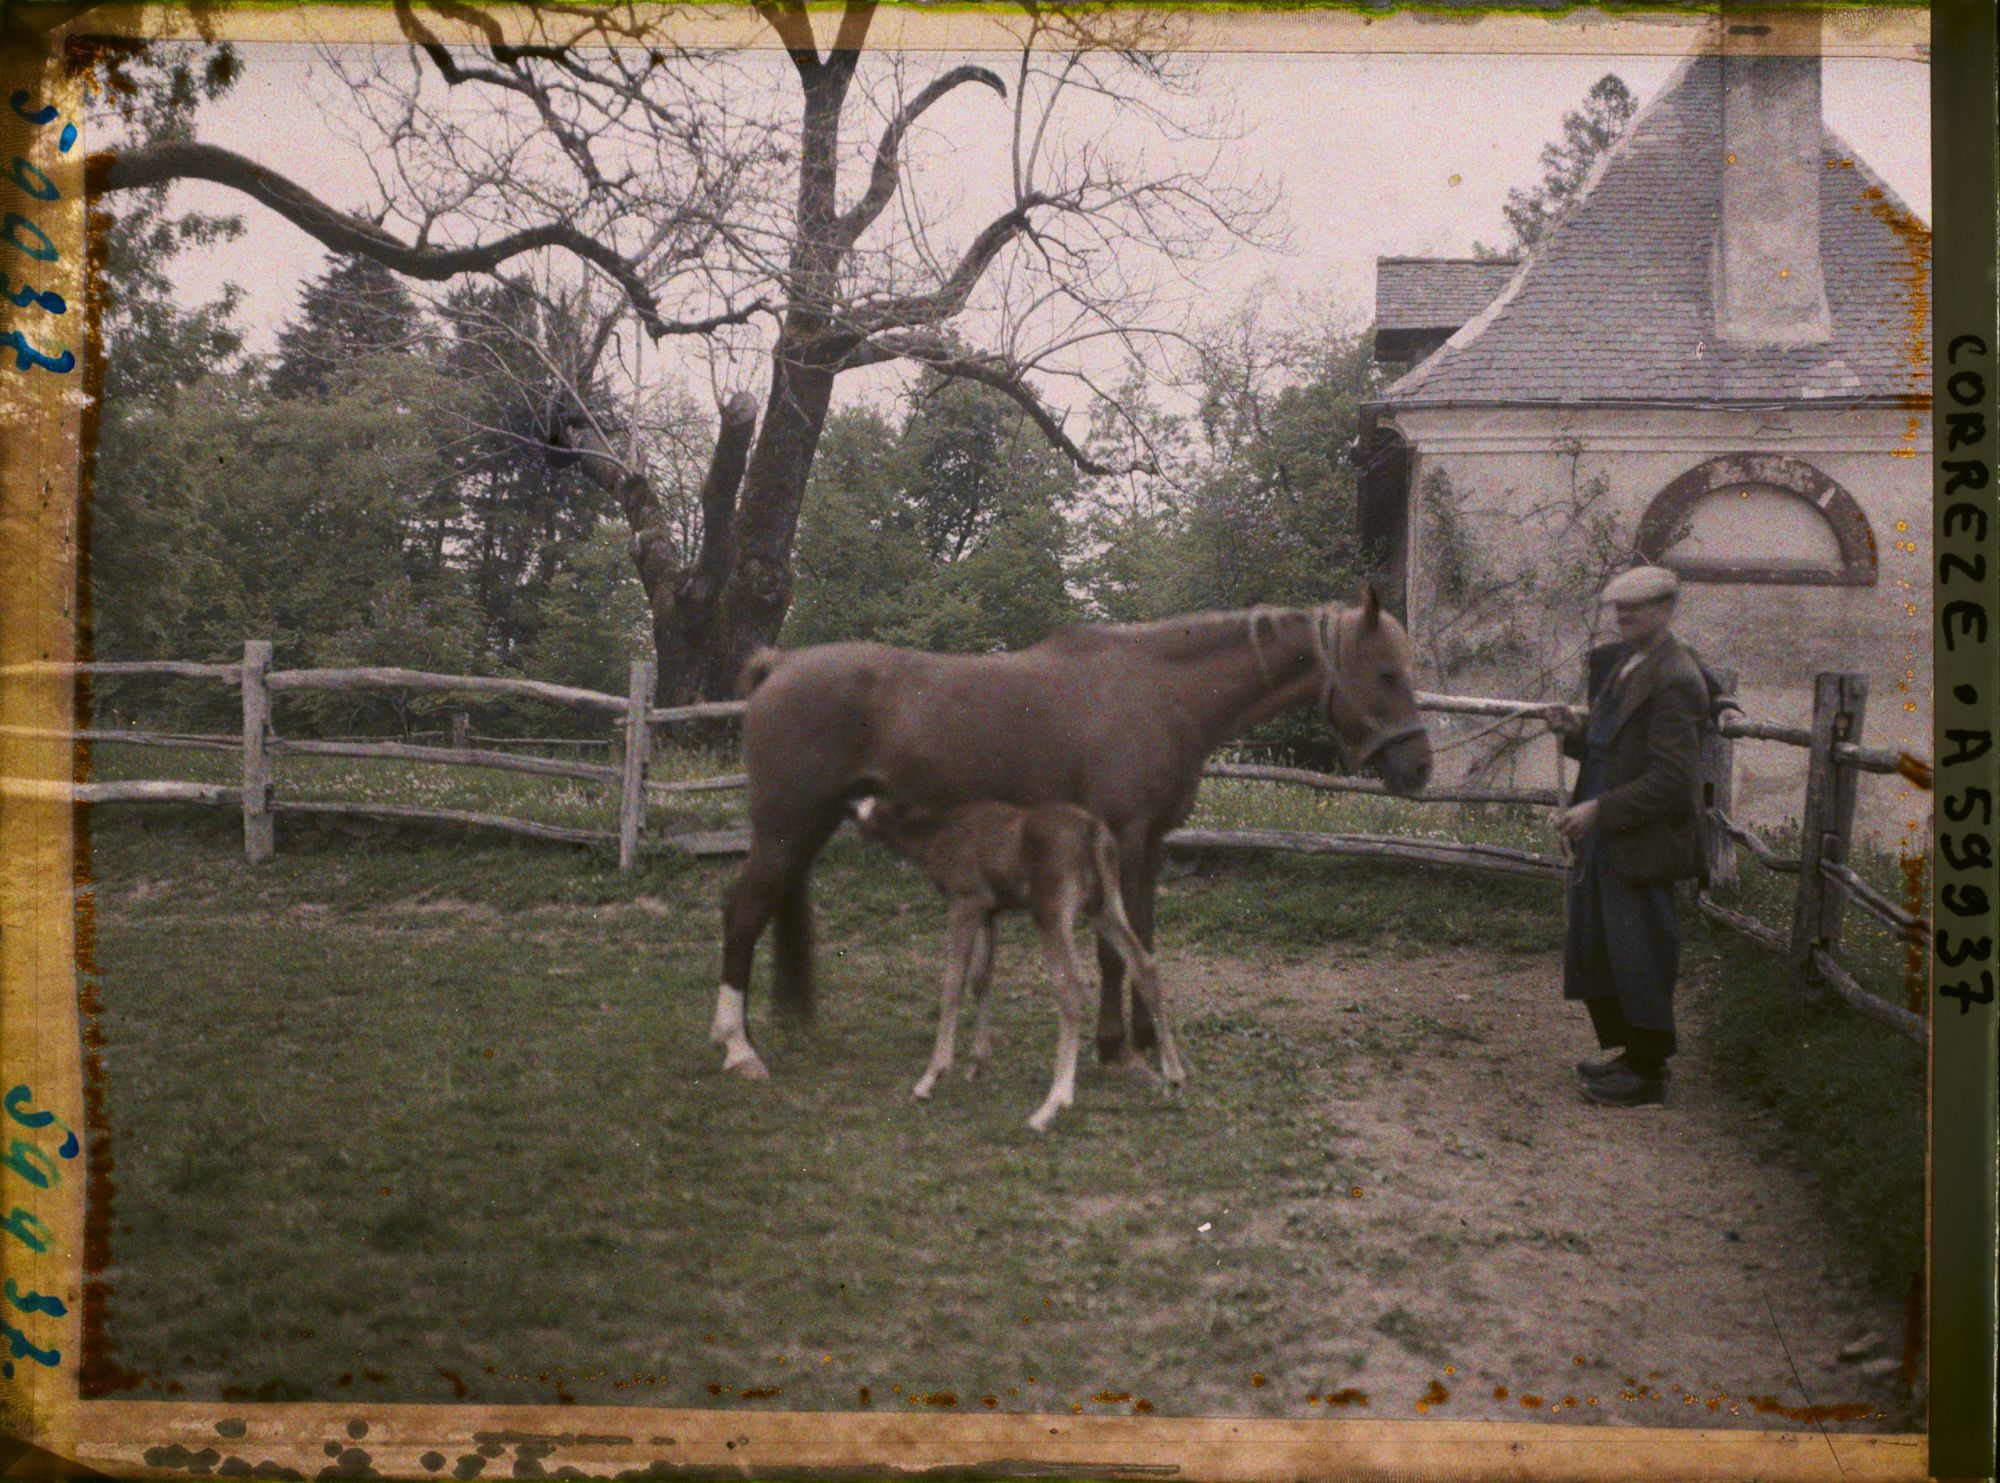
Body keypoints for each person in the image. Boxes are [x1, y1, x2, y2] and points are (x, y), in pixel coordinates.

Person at [1543, 566, 1710, 1108]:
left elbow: (1672, 780)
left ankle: (1649, 1073)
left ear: (1666, 610)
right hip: (1610, 838)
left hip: (1642, 840)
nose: (1621, 618)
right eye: (1618, 609)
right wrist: (1571, 731)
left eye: (1633, 609)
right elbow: (1609, 746)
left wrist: (1599, 809)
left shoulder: (1677, 678)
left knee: (1640, 952)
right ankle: (1631, 1057)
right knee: (1605, 948)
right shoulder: (1627, 665)